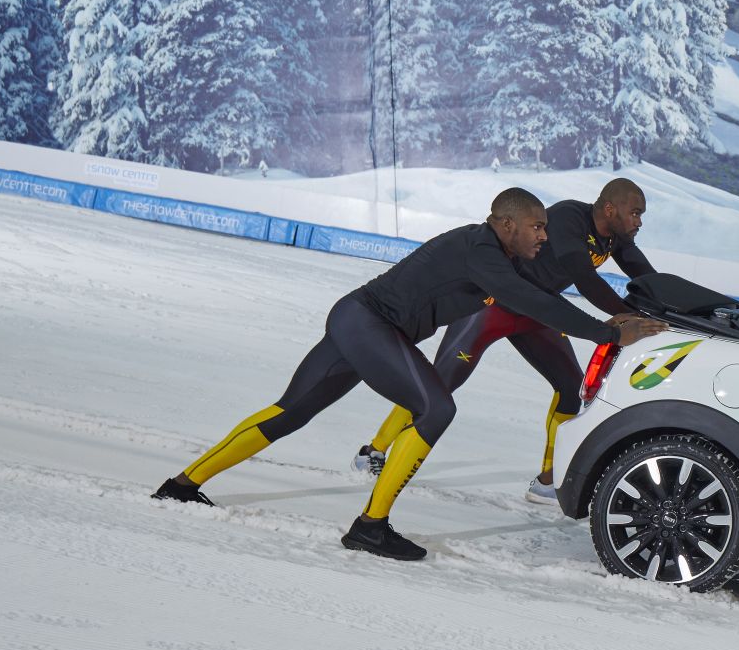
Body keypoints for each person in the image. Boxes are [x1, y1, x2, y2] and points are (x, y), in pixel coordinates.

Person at [150, 189, 665, 562]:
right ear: (507, 224)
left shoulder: (500, 256)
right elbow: (534, 301)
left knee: (290, 414)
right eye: (536, 228)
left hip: (357, 320)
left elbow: (544, 291)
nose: (544, 236)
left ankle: (181, 485)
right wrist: (609, 333)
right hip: (368, 324)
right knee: (436, 408)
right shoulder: (482, 251)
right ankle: (370, 527)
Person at [354, 178, 663, 504]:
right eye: (635, 213)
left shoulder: (615, 238)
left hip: (538, 312)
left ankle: (547, 482)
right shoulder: (569, 217)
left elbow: (647, 276)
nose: (639, 222)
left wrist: (680, 305)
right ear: (610, 209)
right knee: (439, 385)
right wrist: (626, 316)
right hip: (492, 306)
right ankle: (373, 450)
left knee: (571, 386)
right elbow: (584, 277)